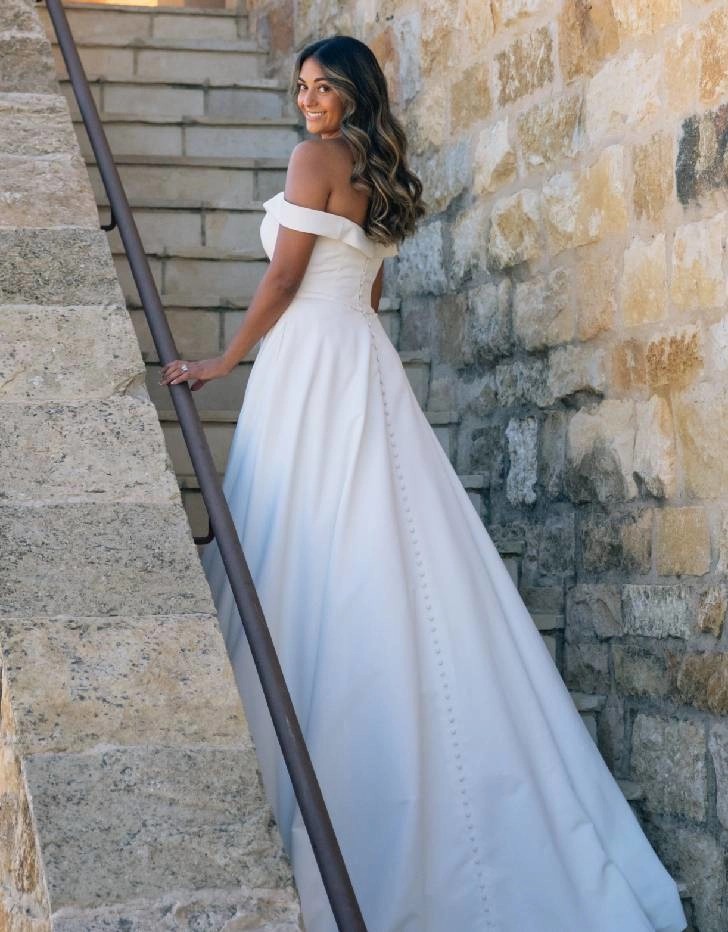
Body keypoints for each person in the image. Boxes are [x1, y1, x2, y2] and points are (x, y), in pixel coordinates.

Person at [160, 35, 688, 932]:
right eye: (300, 89)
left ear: (354, 91)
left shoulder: (311, 160)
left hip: (309, 361)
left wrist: (224, 358)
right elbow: (365, 298)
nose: (307, 101)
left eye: (323, 87)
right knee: (373, 533)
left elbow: (287, 276)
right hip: (359, 359)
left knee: (309, 531)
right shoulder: (375, 169)